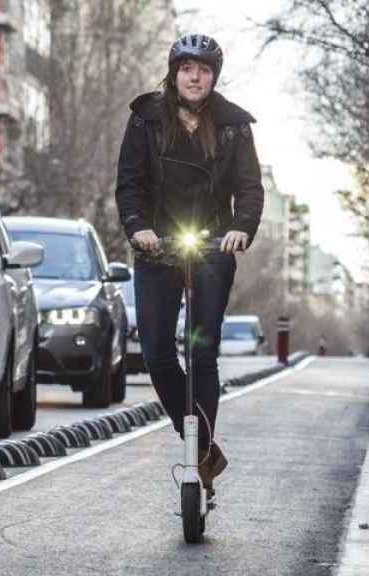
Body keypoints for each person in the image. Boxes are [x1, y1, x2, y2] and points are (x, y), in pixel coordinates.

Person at [115, 33, 264, 498]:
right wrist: (138, 227)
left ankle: (198, 456)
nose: (194, 76)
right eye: (186, 68)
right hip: (157, 246)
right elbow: (129, 184)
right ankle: (200, 450)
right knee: (158, 351)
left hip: (213, 246)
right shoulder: (145, 120)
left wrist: (241, 227)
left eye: (203, 69)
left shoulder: (235, 127)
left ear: (214, 75)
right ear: (174, 73)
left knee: (202, 354)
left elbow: (251, 188)